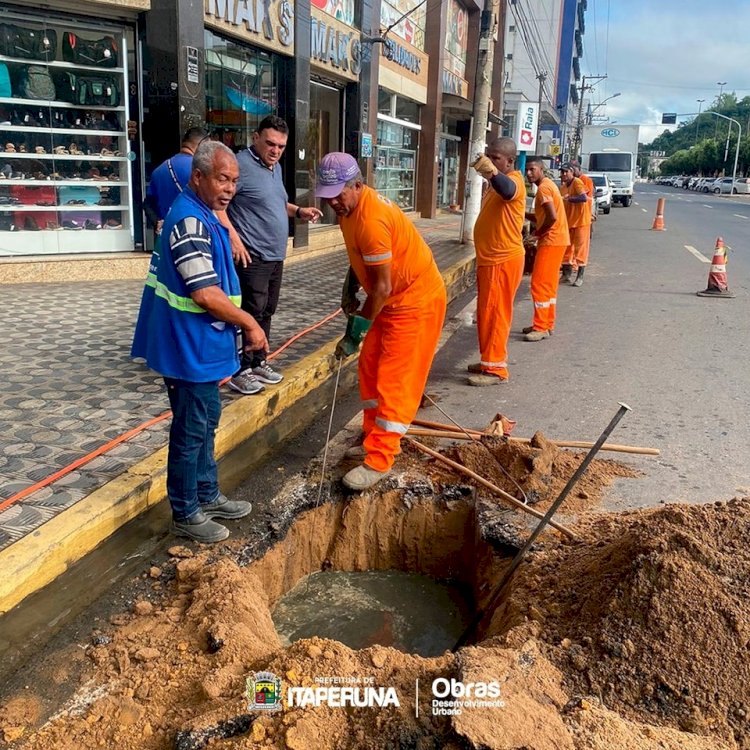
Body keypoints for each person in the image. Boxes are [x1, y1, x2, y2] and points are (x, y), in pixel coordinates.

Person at [131, 141, 269, 543]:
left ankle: (206, 494)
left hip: (200, 346)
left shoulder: (204, 214)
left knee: (206, 420)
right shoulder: (189, 221)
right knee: (191, 429)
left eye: (234, 181)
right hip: (186, 348)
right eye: (222, 179)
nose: (230, 188)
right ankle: (186, 512)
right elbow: (204, 293)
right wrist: (250, 325)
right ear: (198, 177)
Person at [315, 152, 447, 491]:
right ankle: (372, 434)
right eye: (327, 195)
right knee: (370, 367)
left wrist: (355, 332)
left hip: (415, 301)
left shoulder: (372, 219)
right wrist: (350, 287)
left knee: (395, 379)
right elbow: (359, 257)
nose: (332, 202)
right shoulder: (349, 210)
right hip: (389, 298)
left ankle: (380, 458)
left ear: (357, 185)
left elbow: (383, 286)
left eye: (338, 194)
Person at [224, 115, 322, 396]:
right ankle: (239, 370)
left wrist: (299, 212)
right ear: (255, 137)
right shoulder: (238, 165)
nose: (275, 150)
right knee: (249, 312)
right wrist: (234, 238)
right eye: (270, 144)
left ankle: (257, 362)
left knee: (266, 311)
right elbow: (218, 203)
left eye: (281, 146)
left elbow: (276, 202)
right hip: (251, 256)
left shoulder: (274, 168)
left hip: (275, 255)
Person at [465, 137, 526, 386]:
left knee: (497, 314)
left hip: (503, 260)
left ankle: (495, 369)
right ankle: (488, 359)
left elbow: (508, 191)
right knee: (486, 314)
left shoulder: (514, 182)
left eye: (496, 158)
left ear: (510, 161)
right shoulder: (496, 183)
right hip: (491, 260)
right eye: (489, 156)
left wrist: (491, 173)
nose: (490, 161)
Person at [523, 156, 569, 341]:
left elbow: (551, 217)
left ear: (541, 170)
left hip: (551, 240)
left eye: (532, 169)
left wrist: (537, 234)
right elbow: (544, 216)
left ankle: (541, 327)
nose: (528, 173)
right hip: (558, 240)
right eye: (527, 170)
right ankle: (546, 323)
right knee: (549, 285)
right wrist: (524, 214)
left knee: (539, 283)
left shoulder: (543, 189)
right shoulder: (549, 184)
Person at [144, 126, 207, 237]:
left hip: (166, 236)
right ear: (202, 144)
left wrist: (157, 222)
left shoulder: (159, 170)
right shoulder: (200, 170)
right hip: (194, 234)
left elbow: (147, 204)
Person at [559, 161, 591, 287]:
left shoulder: (577, 182)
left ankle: (579, 277)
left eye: (566, 171)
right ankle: (566, 275)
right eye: (562, 172)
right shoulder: (563, 187)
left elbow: (583, 198)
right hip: (569, 222)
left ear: (572, 173)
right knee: (567, 249)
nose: (564, 174)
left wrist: (569, 198)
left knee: (580, 249)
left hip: (581, 222)